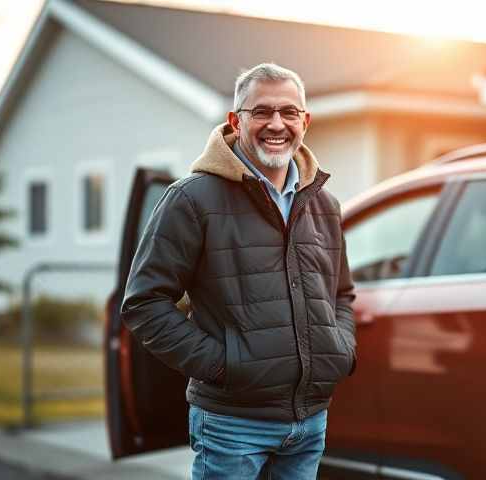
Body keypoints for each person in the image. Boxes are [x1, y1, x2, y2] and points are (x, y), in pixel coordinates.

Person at [120, 63, 356, 479]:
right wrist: (224, 365)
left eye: (288, 112)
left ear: (305, 121)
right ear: (235, 121)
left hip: (309, 421)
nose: (276, 124)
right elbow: (145, 303)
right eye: (261, 112)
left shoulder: (325, 205)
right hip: (232, 425)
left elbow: (341, 294)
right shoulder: (191, 199)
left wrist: (340, 350)